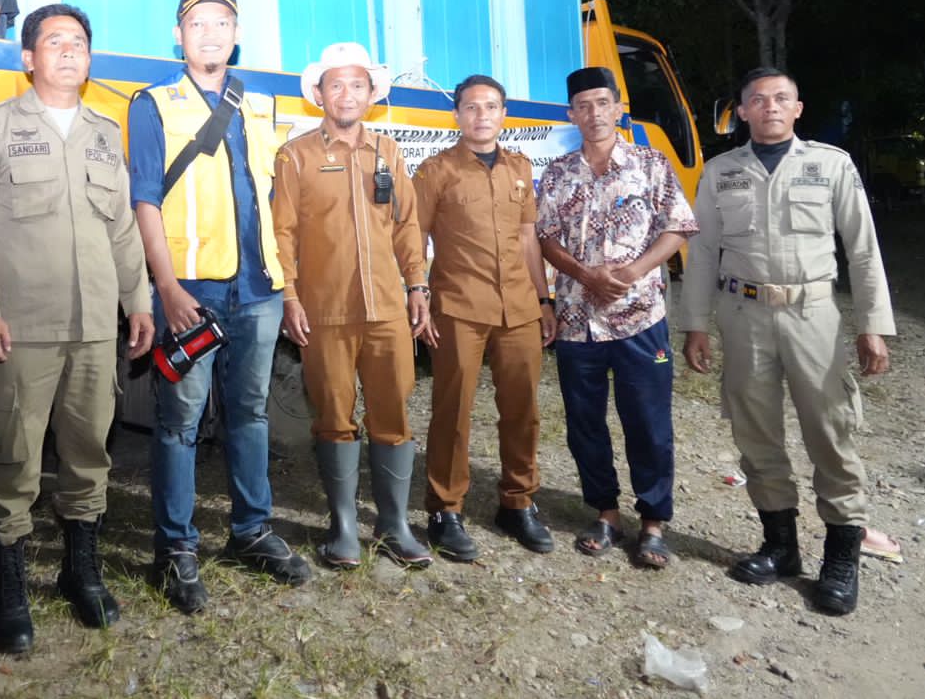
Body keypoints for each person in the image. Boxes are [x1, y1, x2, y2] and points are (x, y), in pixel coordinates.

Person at [0, 3, 154, 653]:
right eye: (54, 42)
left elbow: (122, 226)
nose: (68, 52)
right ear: (29, 57)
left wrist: (140, 301)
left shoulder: (104, 133)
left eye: (78, 43)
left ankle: (81, 571)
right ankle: (6, 589)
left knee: (89, 452)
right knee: (12, 457)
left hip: (96, 325)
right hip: (21, 329)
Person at [677, 67, 895, 615]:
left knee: (830, 430)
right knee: (756, 433)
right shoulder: (721, 171)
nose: (769, 106)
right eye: (757, 99)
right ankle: (780, 547)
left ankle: (841, 557)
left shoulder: (830, 164)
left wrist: (873, 325)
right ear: (742, 112)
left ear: (798, 109)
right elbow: (702, 252)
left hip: (812, 313)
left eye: (781, 99)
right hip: (743, 313)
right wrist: (695, 324)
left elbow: (863, 249)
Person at [127, 0, 311, 613]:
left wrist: (287, 287)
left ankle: (250, 530)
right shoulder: (153, 104)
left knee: (251, 414)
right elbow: (144, 200)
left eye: (221, 22)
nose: (210, 32)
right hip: (192, 293)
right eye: (197, 22)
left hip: (258, 289)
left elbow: (275, 202)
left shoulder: (257, 106)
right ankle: (175, 547)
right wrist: (167, 287)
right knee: (179, 421)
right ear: (178, 35)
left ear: (236, 34)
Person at [271, 42, 433, 570]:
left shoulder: (389, 152)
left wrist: (417, 287)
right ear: (318, 94)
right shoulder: (294, 156)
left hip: (388, 310)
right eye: (335, 84)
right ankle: (342, 527)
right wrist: (291, 296)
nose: (346, 94)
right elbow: (282, 234)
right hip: (325, 313)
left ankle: (394, 524)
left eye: (357, 84)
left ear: (371, 94)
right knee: (335, 418)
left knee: (393, 413)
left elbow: (408, 226)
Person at [535, 66, 697, 570]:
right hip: (578, 320)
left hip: (640, 318)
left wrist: (632, 271)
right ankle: (606, 512)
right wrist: (584, 273)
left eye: (602, 102)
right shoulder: (559, 173)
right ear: (571, 114)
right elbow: (544, 238)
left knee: (648, 421)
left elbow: (678, 227)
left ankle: (653, 521)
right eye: (583, 105)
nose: (594, 113)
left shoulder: (649, 164)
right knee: (585, 423)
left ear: (618, 107)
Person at [412, 75, 557, 560]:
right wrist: (420, 296)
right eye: (471, 107)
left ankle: (517, 502)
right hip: (459, 308)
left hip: (517, 308)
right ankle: (445, 508)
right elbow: (414, 240)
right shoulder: (436, 171)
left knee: (522, 409)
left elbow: (527, 240)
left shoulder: (520, 168)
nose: (481, 116)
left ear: (503, 113)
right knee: (452, 410)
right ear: (457, 115)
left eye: (491, 106)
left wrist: (543, 300)